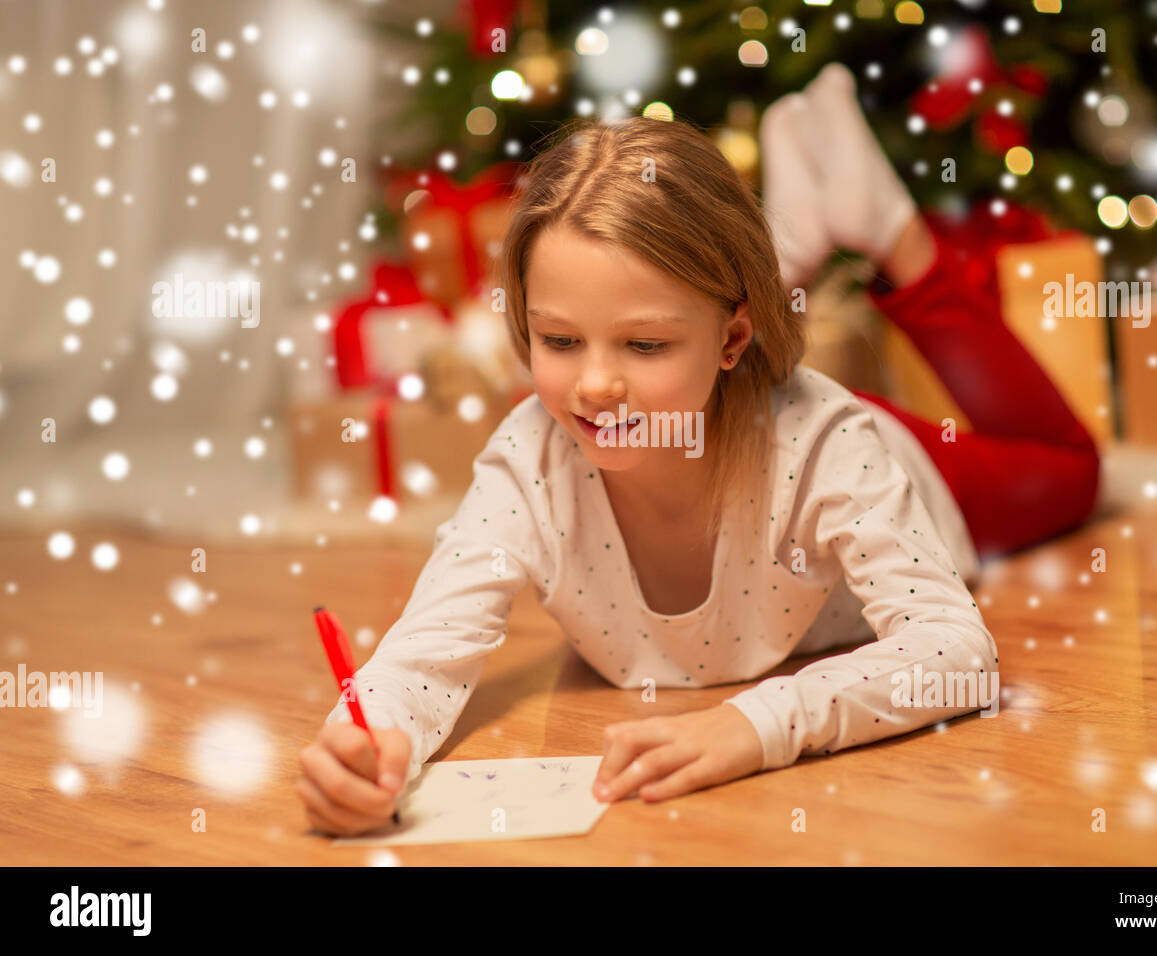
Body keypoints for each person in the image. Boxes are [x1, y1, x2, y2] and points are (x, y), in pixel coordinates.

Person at [296, 64, 1099, 837]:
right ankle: (784, 254)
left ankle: (889, 230)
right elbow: (420, 659)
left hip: (898, 455)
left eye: (644, 344)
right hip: (730, 391)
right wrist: (365, 746)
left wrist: (755, 724)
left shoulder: (826, 442)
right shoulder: (530, 460)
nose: (595, 388)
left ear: (734, 336)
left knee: (1072, 468)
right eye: (560, 339)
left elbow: (957, 652)